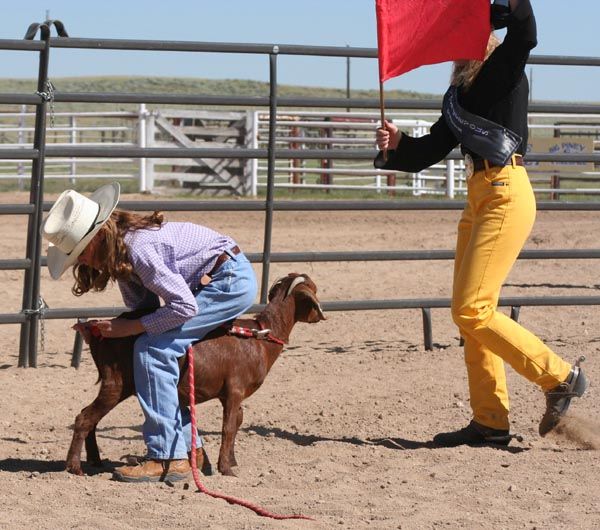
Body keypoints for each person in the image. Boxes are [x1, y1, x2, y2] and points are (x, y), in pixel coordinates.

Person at [374, 0, 589, 446]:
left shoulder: (503, 69)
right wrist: (398, 145)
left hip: (505, 191)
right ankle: (490, 421)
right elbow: (429, 149)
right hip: (480, 198)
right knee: (470, 315)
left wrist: (506, 5)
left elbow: (526, 31)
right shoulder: (460, 94)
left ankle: (560, 376)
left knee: (472, 309)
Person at [41, 182, 257, 480]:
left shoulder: (139, 250)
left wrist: (128, 327)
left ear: (98, 237)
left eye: (80, 252)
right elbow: (147, 308)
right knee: (157, 346)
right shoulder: (124, 254)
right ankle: (189, 450)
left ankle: (168, 456)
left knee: (152, 350)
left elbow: (183, 307)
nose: (81, 261)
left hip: (227, 282)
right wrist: (112, 330)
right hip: (222, 276)